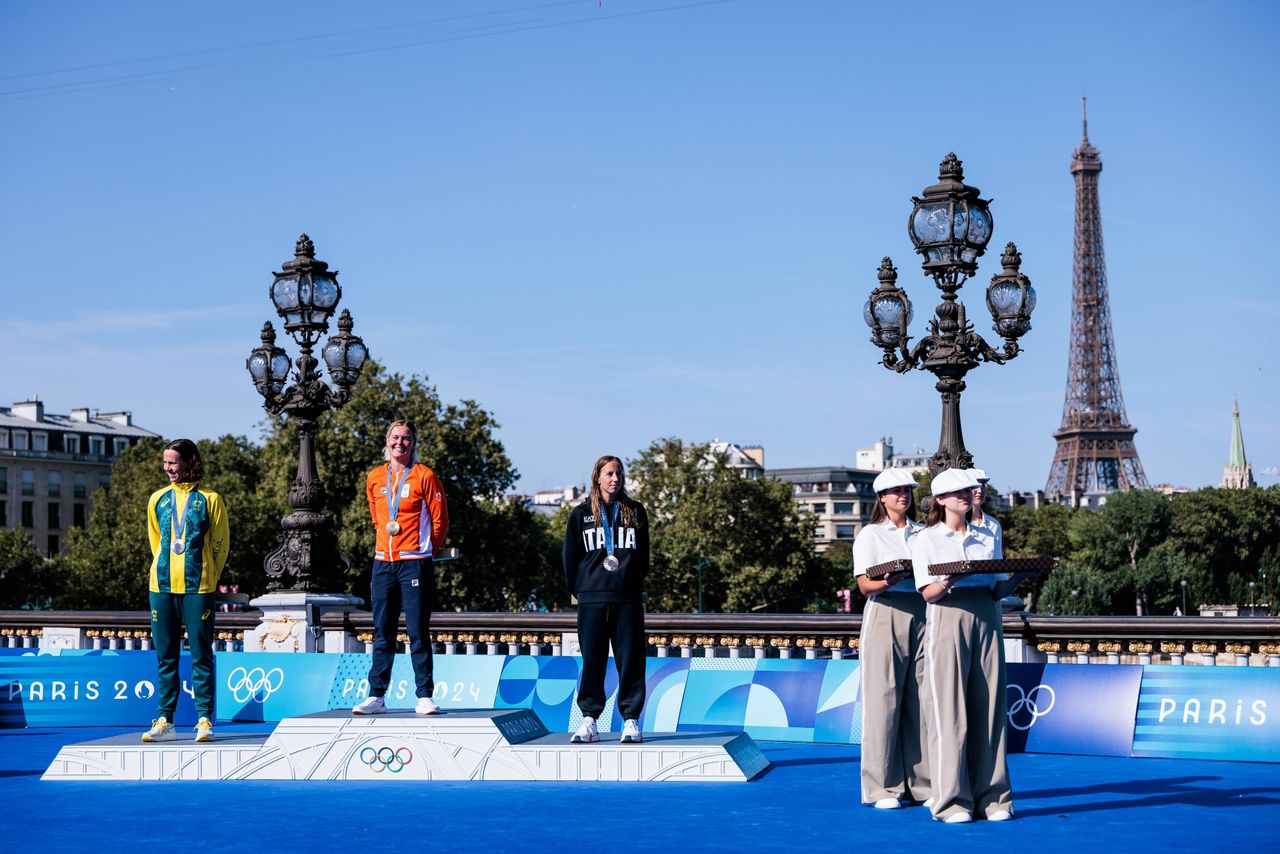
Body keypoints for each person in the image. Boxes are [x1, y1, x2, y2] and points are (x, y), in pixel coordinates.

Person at [911, 468, 1034, 823]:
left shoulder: (989, 532)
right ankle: (952, 801)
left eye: (969, 490)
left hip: (986, 613)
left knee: (991, 707)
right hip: (948, 614)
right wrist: (953, 577)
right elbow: (928, 593)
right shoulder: (926, 540)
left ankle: (995, 799)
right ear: (941, 501)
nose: (967, 495)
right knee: (950, 711)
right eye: (958, 492)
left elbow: (996, 589)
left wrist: (1019, 578)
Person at [352, 420, 449, 716]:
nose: (400, 443)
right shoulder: (374, 477)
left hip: (414, 562)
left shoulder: (424, 476)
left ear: (413, 444)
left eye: (406, 439)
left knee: (418, 629)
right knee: (383, 630)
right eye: (395, 438)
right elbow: (376, 518)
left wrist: (424, 549)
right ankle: (376, 695)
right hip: (383, 561)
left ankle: (424, 695)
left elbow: (440, 520)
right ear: (387, 441)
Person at [853, 468, 931, 810]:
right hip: (886, 609)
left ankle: (925, 785)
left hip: (924, 611)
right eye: (896, 491)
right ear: (882, 498)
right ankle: (882, 787)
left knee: (923, 701)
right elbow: (863, 585)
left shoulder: (924, 533)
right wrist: (888, 580)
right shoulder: (869, 535)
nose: (904, 495)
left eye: (908, 490)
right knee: (883, 701)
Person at [142, 439, 230, 743]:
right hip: (162, 587)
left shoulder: (210, 499)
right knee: (166, 656)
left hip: (198, 588)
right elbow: (156, 542)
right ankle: (165, 718)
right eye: (165, 462)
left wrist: (209, 575)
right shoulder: (157, 499)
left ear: (191, 462)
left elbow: (220, 544)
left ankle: (204, 718)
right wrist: (163, 569)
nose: (168, 468)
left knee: (200, 655)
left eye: (174, 462)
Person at [562, 455, 650, 744]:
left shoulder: (635, 512)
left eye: (619, 474)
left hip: (626, 598)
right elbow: (570, 559)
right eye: (609, 473)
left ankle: (631, 720)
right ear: (597, 477)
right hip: (592, 600)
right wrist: (583, 590)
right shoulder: (581, 514)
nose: (615, 479)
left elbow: (644, 557)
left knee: (630, 661)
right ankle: (589, 719)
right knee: (593, 661)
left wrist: (630, 583)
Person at [966, 468, 1003, 552]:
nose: (980, 490)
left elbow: (997, 559)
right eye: (974, 486)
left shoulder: (994, 524)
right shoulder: (956, 524)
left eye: (983, 485)